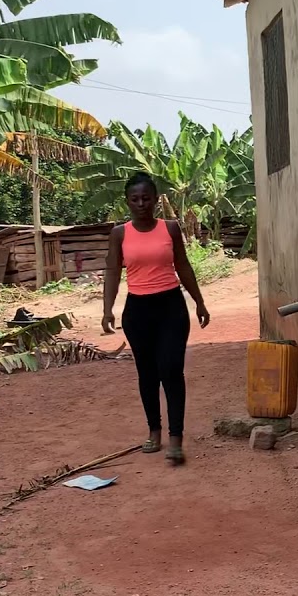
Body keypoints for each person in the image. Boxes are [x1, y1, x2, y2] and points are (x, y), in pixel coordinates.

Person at [102, 172, 211, 465]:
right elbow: (112, 272)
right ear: (127, 202)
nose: (141, 204)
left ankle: (176, 438)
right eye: (135, 199)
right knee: (148, 374)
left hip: (171, 308)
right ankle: (154, 431)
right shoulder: (120, 234)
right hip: (138, 311)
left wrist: (199, 302)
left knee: (172, 370)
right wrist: (107, 309)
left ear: (155, 199)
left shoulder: (170, 229)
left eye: (146, 198)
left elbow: (183, 265)